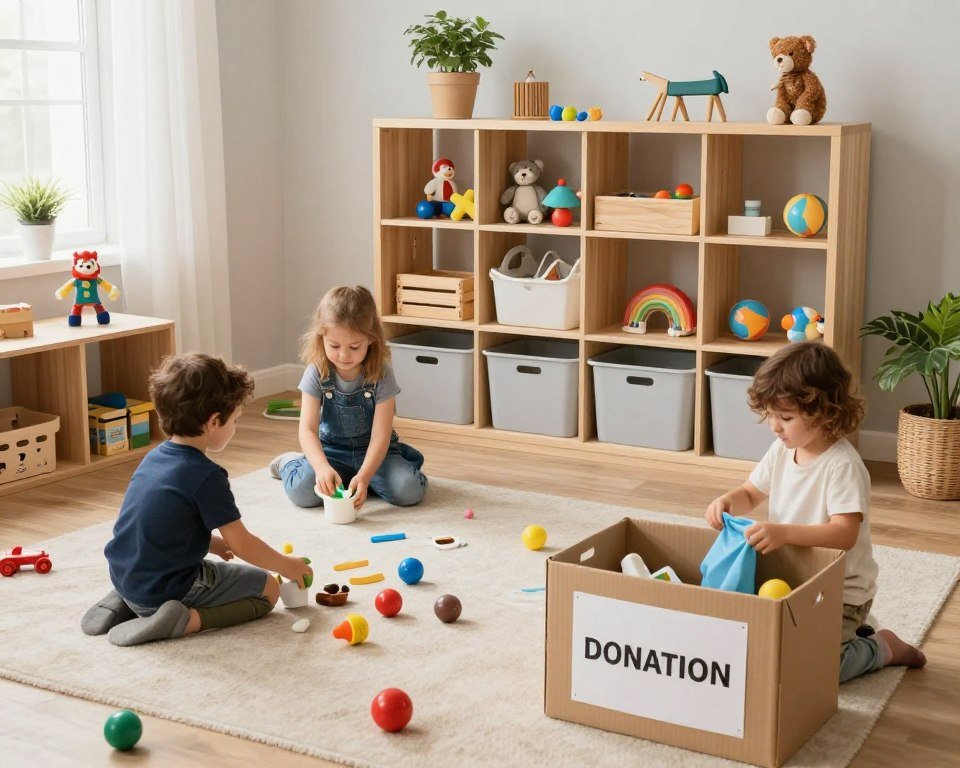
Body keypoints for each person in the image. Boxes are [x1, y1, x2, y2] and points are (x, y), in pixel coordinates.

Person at [705, 342, 926, 683]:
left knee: (817, 670)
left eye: (786, 418)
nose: (774, 427)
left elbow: (844, 533)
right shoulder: (781, 450)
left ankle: (882, 647)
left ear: (824, 411)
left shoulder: (842, 466)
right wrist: (727, 502)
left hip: (840, 592)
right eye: (771, 416)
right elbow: (751, 492)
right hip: (796, 581)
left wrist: (784, 532)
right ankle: (856, 634)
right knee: (761, 644)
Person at [81, 353, 312, 646]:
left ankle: (126, 600)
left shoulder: (154, 457)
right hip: (166, 590)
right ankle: (183, 620)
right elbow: (242, 544)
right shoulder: (207, 475)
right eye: (235, 421)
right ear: (214, 421)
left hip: (126, 576)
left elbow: (157, 524)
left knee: (150, 579)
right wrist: (286, 566)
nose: (235, 427)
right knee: (267, 591)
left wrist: (212, 543)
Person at [270, 285, 427, 509]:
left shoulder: (381, 374)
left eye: (354, 347)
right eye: (334, 345)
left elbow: (380, 437)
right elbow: (307, 430)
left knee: (409, 490)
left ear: (371, 339)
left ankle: (366, 481)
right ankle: (289, 463)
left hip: (375, 453)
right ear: (321, 337)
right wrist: (322, 468)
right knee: (301, 492)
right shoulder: (316, 373)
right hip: (331, 452)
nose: (344, 355)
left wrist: (364, 475)